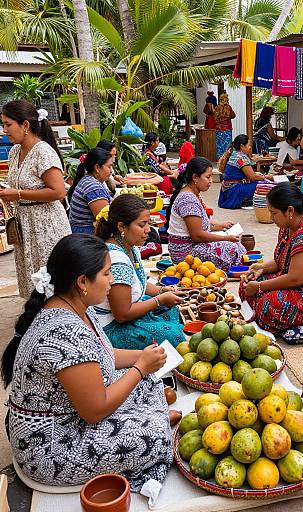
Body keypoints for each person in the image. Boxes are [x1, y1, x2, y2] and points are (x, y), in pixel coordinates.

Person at [1, 234, 181, 489]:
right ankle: (157, 423)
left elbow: (103, 354)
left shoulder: (75, 306)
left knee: (149, 384)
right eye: (107, 274)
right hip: (50, 446)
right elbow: (95, 411)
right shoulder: (65, 332)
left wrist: (142, 358)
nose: (113, 280)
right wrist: (140, 368)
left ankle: (155, 417)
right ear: (83, 281)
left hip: (70, 413)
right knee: (155, 438)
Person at [239, 183, 303, 333]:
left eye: (274, 213)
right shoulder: (287, 227)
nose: (271, 217)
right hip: (299, 285)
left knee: (269, 303)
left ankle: (262, 314)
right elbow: (282, 261)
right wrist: (261, 268)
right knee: (246, 284)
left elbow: (295, 278)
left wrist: (260, 287)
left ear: (289, 211)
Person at [0, 100, 71, 299]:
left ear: (25, 125)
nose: (5, 130)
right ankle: (37, 319)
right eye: (3, 125)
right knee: (33, 278)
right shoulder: (14, 152)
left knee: (51, 279)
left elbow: (58, 192)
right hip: (26, 223)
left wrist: (19, 194)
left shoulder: (43, 152)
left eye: (8, 124)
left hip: (47, 225)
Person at [95, 194, 185, 349]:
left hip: (125, 313)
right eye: (142, 225)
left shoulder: (129, 246)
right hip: (113, 327)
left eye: (148, 224)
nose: (148, 230)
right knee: (174, 336)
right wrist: (160, 299)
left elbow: (137, 281)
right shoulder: (117, 260)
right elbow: (122, 315)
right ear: (122, 226)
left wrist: (162, 290)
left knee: (172, 311)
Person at [167, 157, 246, 271]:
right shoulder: (188, 199)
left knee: (234, 243)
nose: (211, 181)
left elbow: (199, 225)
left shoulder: (192, 194)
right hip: (185, 253)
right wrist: (225, 238)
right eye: (208, 177)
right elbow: (197, 235)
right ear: (195, 177)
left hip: (189, 246)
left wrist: (221, 226)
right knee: (233, 247)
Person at [68, 148, 113, 234]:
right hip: (87, 236)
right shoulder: (93, 187)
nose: (111, 171)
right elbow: (105, 220)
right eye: (109, 166)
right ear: (97, 167)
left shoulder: (88, 179)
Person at [218, 134, 266, 209]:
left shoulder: (233, 154)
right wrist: (265, 177)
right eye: (248, 145)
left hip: (227, 189)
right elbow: (252, 177)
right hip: (234, 190)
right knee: (265, 184)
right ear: (242, 146)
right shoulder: (241, 158)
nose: (250, 147)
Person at [214, 93, 236, 159]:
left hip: (219, 129)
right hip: (227, 128)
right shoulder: (228, 107)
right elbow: (233, 115)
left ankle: (220, 159)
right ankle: (227, 158)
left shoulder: (217, 107)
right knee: (227, 145)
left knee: (219, 145)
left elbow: (214, 118)